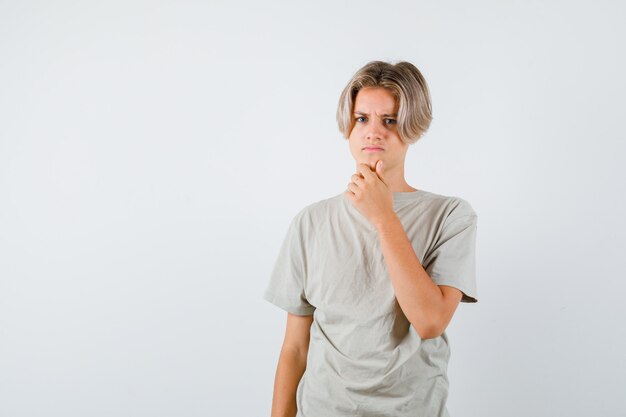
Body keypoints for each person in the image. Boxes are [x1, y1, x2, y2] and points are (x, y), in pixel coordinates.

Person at [263, 60, 478, 417]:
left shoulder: (451, 216)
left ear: (414, 127)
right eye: (362, 118)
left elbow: (430, 321)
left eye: (389, 121)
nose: (373, 132)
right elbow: (295, 349)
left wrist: (383, 217)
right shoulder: (311, 222)